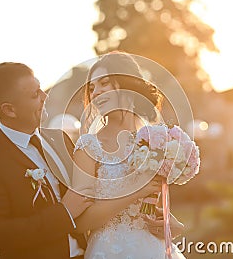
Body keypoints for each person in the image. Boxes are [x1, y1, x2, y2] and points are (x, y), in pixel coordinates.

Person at [0, 62, 93, 259]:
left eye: (40, 88)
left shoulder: (60, 139)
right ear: (9, 110)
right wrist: (64, 213)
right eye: (34, 95)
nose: (45, 96)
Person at [72, 52, 186, 259]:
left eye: (104, 83)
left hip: (155, 249)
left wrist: (169, 223)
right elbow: (81, 223)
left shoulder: (156, 139)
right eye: (92, 88)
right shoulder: (89, 146)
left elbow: (150, 205)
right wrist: (134, 191)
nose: (96, 92)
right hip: (109, 250)